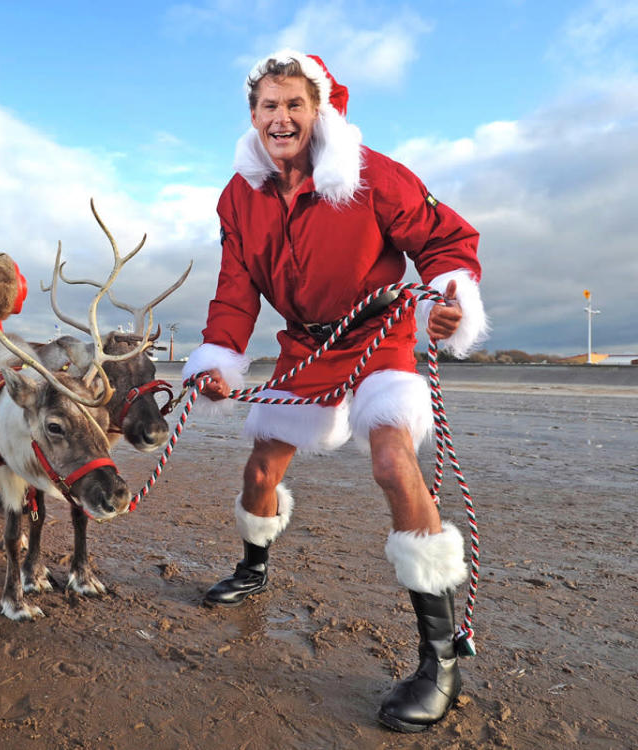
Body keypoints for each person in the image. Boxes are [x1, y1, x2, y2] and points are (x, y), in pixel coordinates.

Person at [181, 50, 488, 733]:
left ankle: (440, 659)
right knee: (260, 470)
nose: (280, 118)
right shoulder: (240, 195)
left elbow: (446, 241)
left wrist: (447, 296)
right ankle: (254, 566)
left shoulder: (372, 174)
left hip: (379, 336)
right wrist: (220, 357)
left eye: (294, 104)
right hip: (305, 346)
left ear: (318, 109)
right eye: (268, 105)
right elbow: (236, 288)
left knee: (392, 462)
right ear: (252, 114)